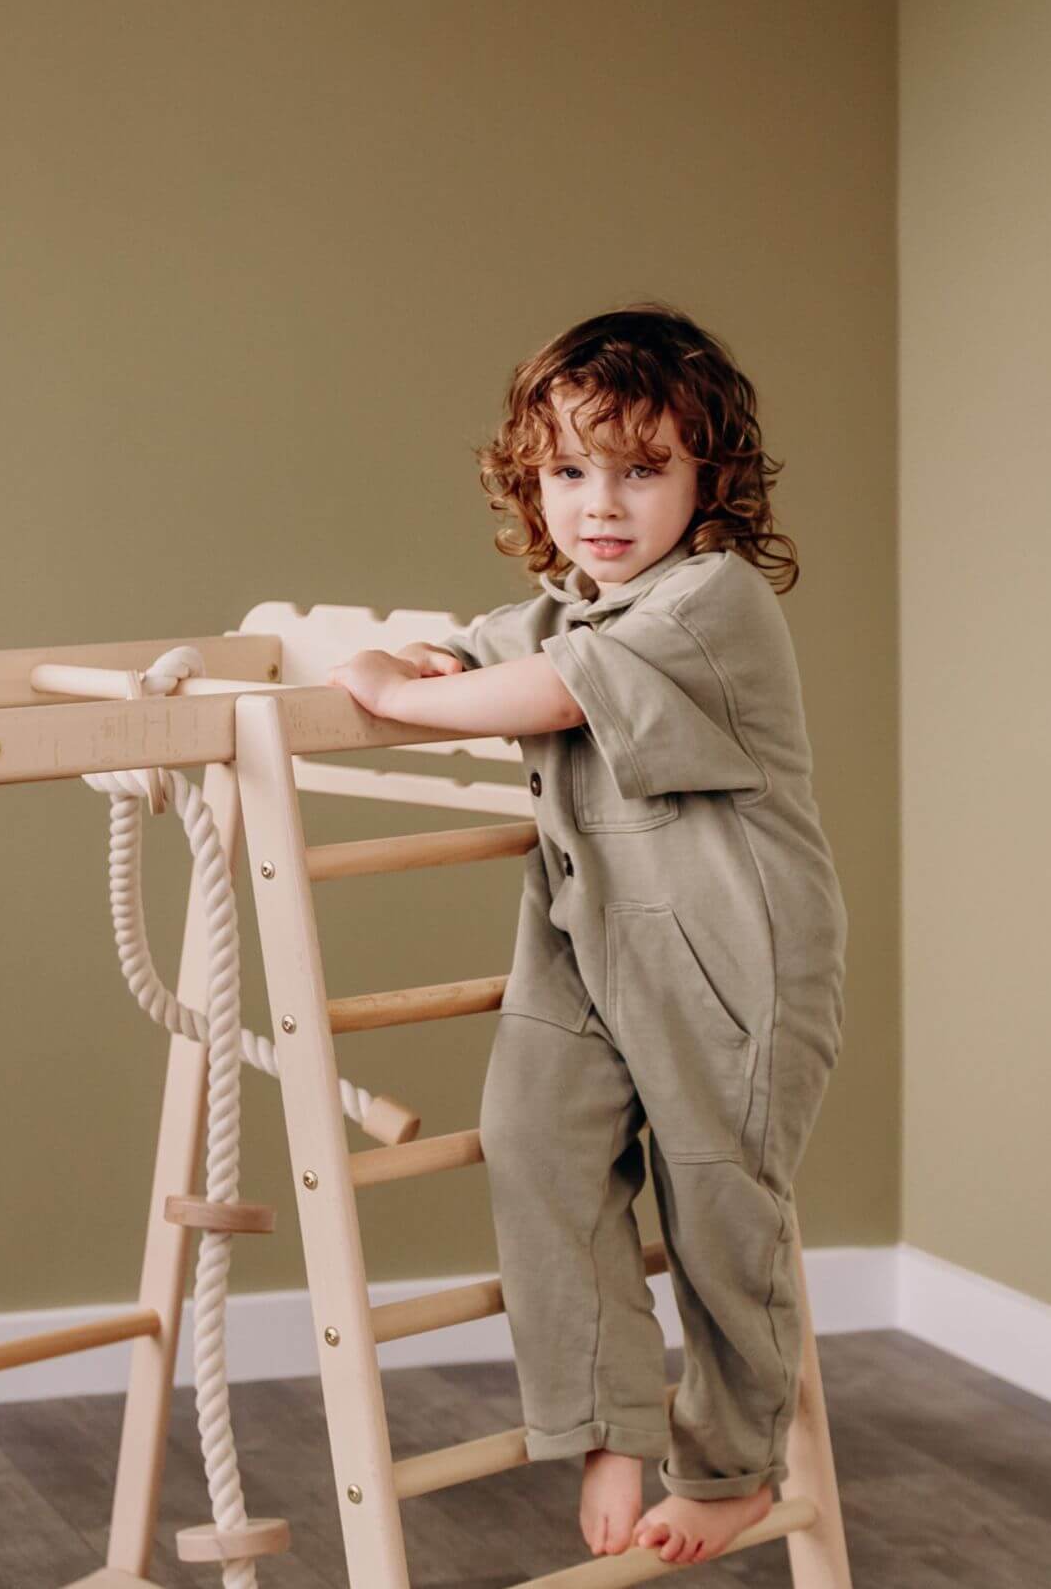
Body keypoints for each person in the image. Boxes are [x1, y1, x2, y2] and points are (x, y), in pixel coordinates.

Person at [326, 303, 847, 1568]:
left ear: (706, 479)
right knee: (534, 1145)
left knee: (721, 1204)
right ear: (534, 479)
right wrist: (418, 651)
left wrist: (396, 696)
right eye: (569, 472)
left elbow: (553, 689)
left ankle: (727, 1465)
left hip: (733, 962)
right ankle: (612, 1416)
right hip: (586, 943)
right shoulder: (572, 603)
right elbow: (489, 647)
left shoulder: (713, 603)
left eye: (640, 470)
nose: (599, 505)